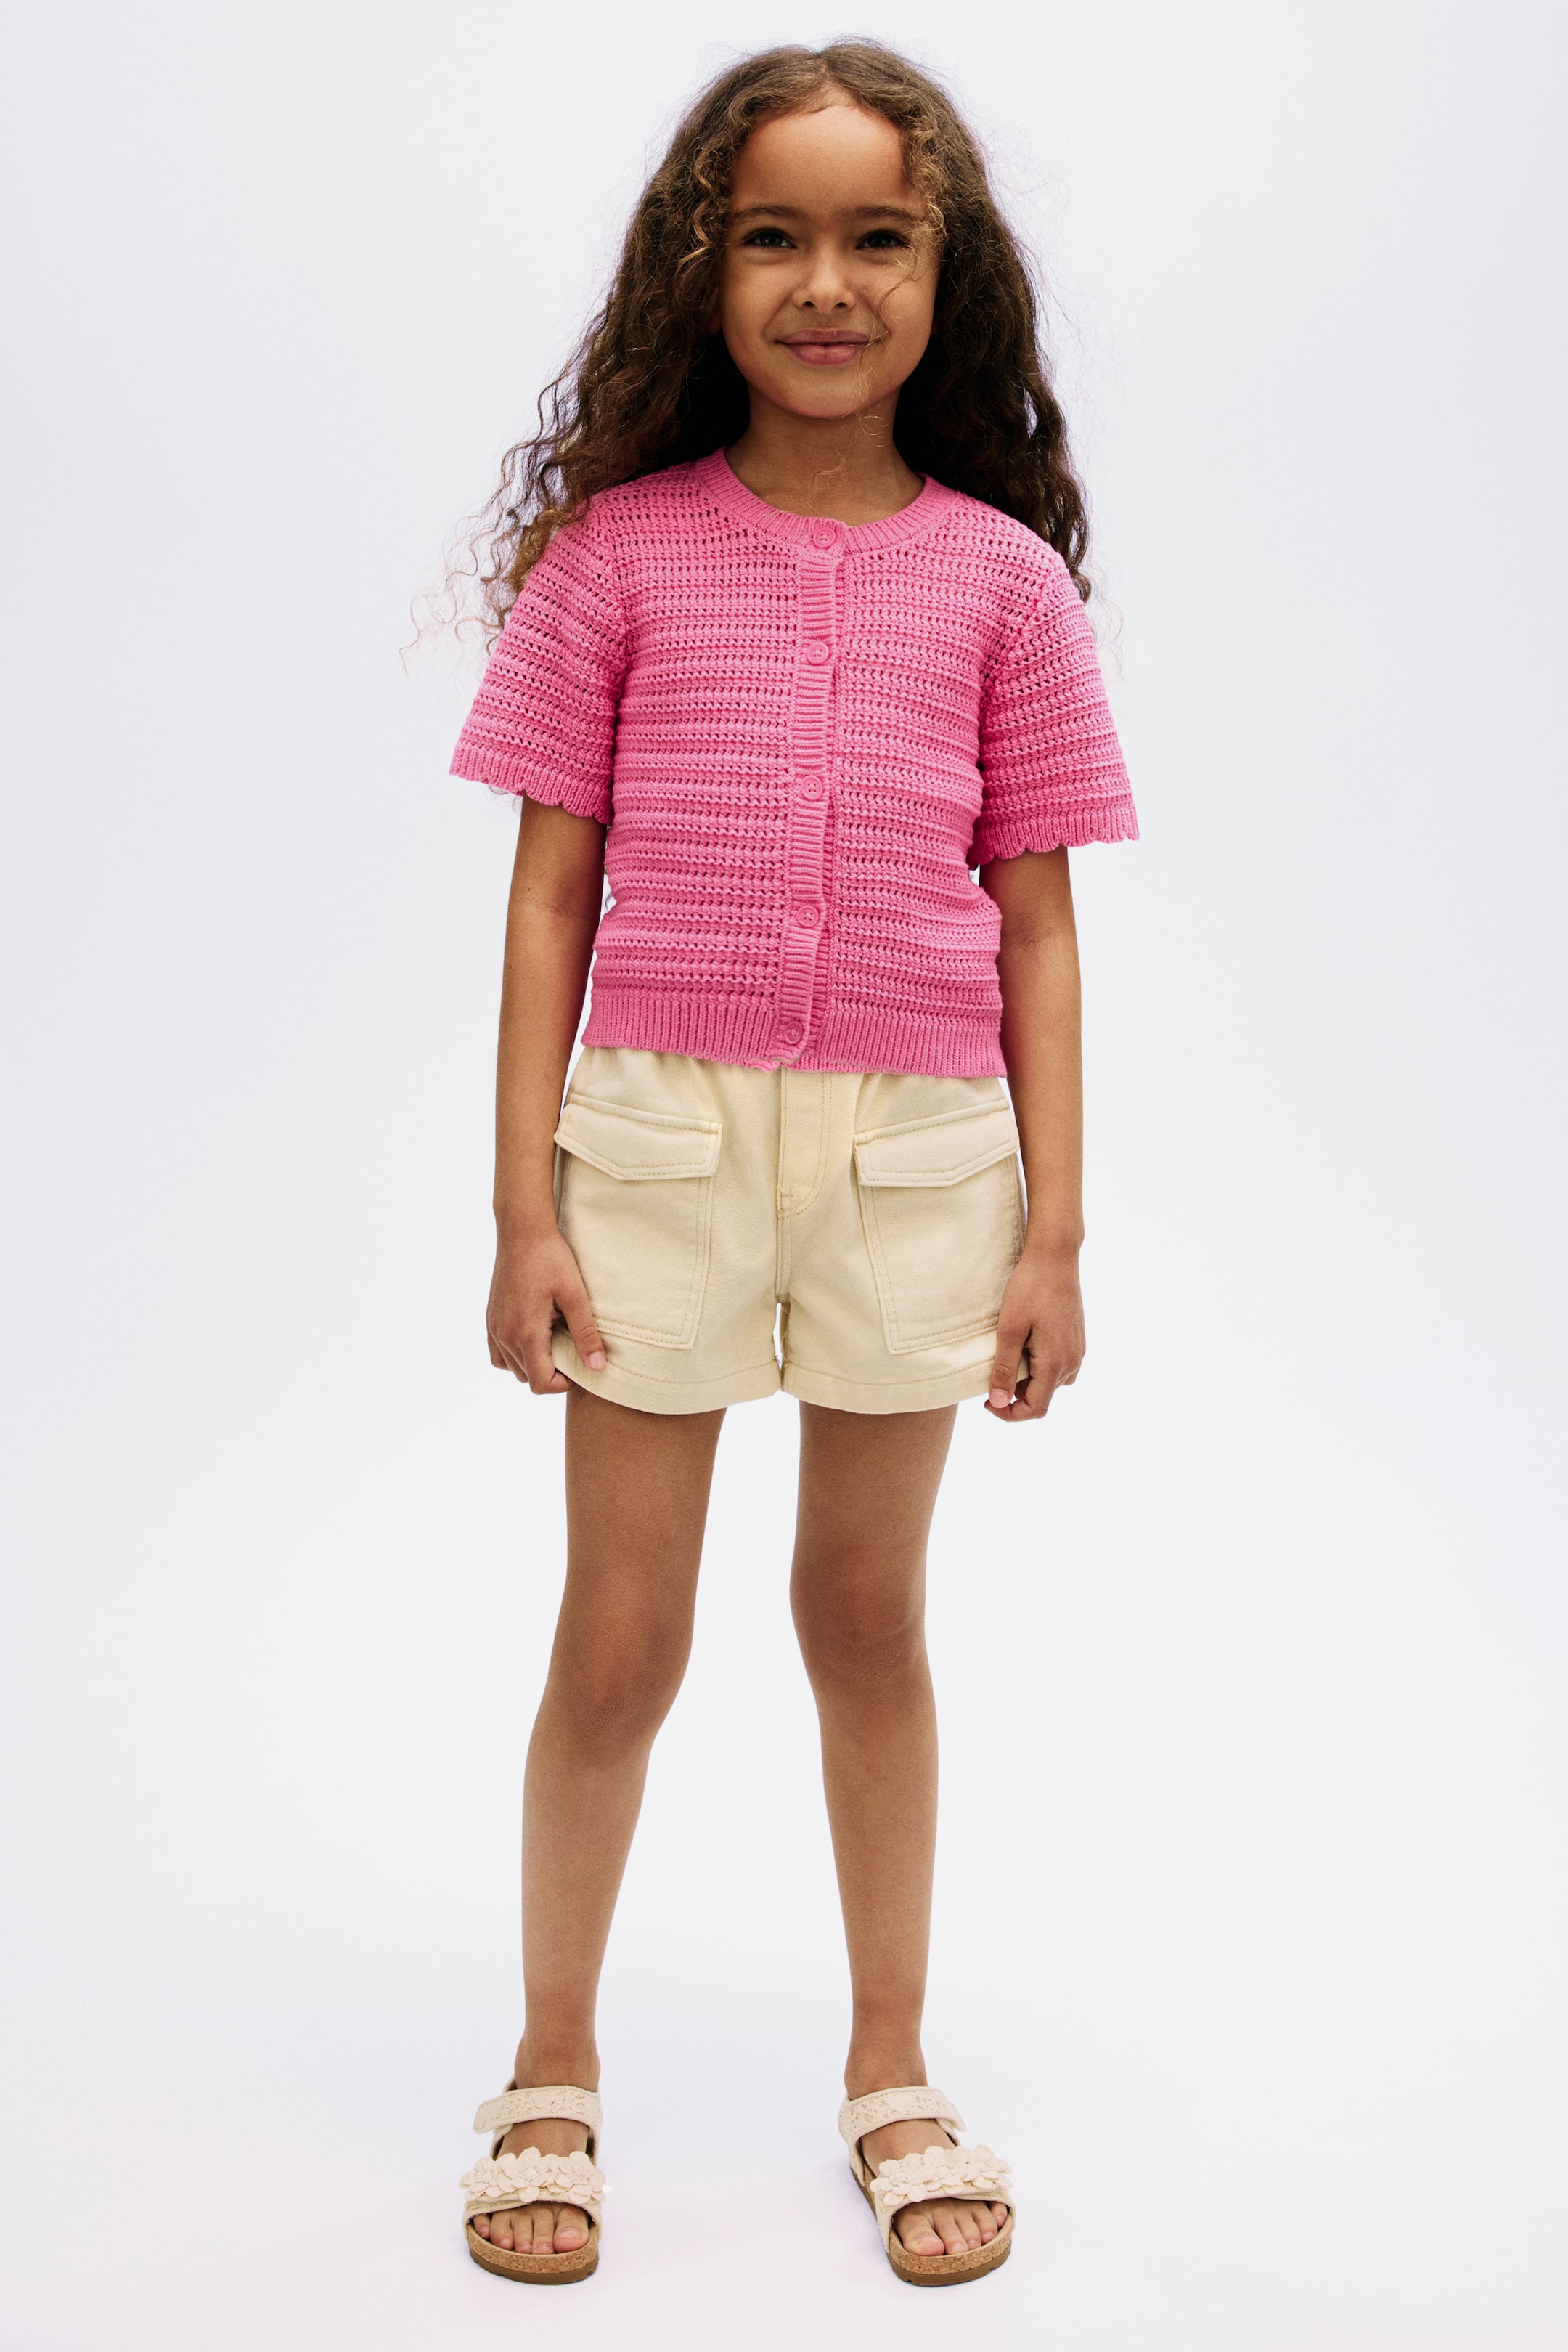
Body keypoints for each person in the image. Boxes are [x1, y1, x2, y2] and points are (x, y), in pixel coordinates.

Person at [447, 41, 1136, 2288]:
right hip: (655, 1139)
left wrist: (1056, 1230)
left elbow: (1039, 921)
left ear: (949, 273)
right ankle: (551, 2064)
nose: (825, 282)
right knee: (619, 1636)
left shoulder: (1006, 587)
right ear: (701, 268)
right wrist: (524, 1207)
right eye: (773, 235)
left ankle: (893, 2064)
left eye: (876, 237)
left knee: (866, 1621)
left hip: (923, 1156)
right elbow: (550, 898)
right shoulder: (619, 560)